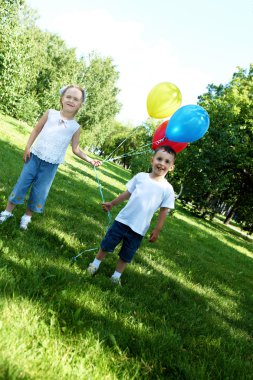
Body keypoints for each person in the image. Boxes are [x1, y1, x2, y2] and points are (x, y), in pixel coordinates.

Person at [0, 84, 101, 230]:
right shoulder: (50, 113)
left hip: (51, 164)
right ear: (62, 98)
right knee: (22, 183)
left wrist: (90, 160)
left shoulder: (75, 127)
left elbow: (76, 149)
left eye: (76, 99)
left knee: (39, 191)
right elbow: (36, 130)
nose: (71, 100)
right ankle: (7, 212)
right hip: (34, 157)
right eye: (68, 97)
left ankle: (27, 217)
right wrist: (27, 147)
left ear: (80, 104)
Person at [87, 145, 176, 285]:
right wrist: (112, 203)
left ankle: (116, 276)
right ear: (152, 160)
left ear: (171, 167)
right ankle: (95, 264)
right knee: (107, 244)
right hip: (123, 220)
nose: (161, 163)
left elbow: (164, 210)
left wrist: (157, 230)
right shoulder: (141, 177)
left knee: (126, 254)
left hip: (139, 228)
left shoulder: (168, 189)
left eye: (167, 162)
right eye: (159, 159)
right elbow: (127, 193)